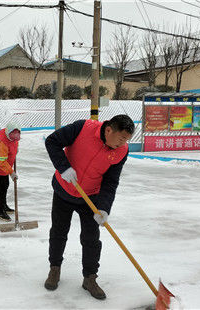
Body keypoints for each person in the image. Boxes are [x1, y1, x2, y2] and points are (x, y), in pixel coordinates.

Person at [43, 115, 134, 300]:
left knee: (91, 239)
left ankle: (90, 278)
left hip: (90, 198)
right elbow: (52, 141)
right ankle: (54, 269)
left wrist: (103, 208)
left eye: (127, 140)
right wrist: (64, 167)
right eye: (121, 139)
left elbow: (111, 181)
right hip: (64, 189)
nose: (123, 144)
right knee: (59, 232)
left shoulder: (121, 151)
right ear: (109, 130)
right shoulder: (83, 128)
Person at [0, 122, 21, 221]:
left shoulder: (12, 136)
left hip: (5, 166)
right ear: (8, 133)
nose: (16, 136)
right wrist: (11, 172)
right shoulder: (1, 142)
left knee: (5, 185)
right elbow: (1, 162)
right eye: (14, 134)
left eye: (18, 134)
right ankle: (1, 211)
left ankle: (4, 205)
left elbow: (14, 143)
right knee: (1, 188)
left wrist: (15, 150)